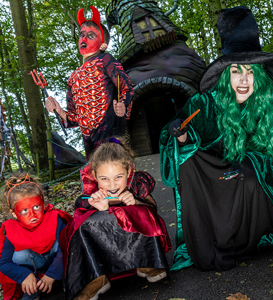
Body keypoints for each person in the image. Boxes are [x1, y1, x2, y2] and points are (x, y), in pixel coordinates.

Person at [159, 6, 273, 272]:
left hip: (258, 190)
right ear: (224, 76)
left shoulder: (272, 109)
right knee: (188, 162)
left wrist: (249, 164)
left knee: (248, 174)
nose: (243, 80)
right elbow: (172, 147)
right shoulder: (204, 104)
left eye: (251, 72)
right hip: (216, 184)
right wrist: (183, 136)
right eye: (235, 71)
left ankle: (247, 237)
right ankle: (212, 237)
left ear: (261, 77)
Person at [61, 136, 171, 300]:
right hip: (104, 247)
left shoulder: (137, 183)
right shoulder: (91, 191)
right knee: (84, 224)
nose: (112, 185)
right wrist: (96, 207)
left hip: (133, 242)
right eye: (104, 179)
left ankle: (147, 263)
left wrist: (135, 202)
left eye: (118, 177)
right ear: (95, 176)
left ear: (128, 171)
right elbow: (79, 208)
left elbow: (153, 210)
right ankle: (97, 277)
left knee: (142, 213)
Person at [45, 6, 135, 159]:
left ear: (103, 44)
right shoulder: (73, 78)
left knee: (115, 171)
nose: (83, 39)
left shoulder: (105, 60)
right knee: (96, 176)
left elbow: (127, 87)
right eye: (82, 35)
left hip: (111, 134)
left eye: (91, 35)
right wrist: (58, 109)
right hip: (90, 144)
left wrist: (123, 105)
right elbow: (74, 118)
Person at [0, 173, 72, 300]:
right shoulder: (12, 230)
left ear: (43, 204)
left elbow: (66, 248)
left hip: (60, 262)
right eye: (24, 211)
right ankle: (34, 288)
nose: (32, 214)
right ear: (14, 213)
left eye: (36, 207)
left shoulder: (54, 218)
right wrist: (25, 275)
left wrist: (51, 274)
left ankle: (68, 280)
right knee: (19, 254)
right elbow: (4, 263)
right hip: (34, 271)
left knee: (63, 243)